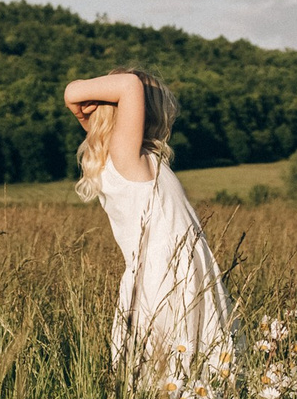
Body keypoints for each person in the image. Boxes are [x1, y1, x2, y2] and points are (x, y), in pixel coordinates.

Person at [63, 68, 235, 377]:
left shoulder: (124, 155)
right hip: (167, 277)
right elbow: (127, 84)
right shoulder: (125, 155)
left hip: (164, 274)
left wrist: (86, 106)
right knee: (181, 372)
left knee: (169, 374)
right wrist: (79, 98)